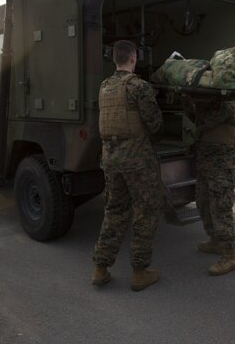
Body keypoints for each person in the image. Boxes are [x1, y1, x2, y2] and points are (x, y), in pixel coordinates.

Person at [91, 40, 164, 291]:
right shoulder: (139, 87)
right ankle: (140, 271)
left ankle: (101, 268)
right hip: (137, 161)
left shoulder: (104, 86)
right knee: (145, 211)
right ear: (133, 58)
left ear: (115, 59)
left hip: (110, 159)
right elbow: (155, 124)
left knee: (114, 211)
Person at [184, 96, 235, 276]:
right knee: (203, 202)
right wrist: (186, 100)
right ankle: (215, 240)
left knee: (221, 207)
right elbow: (195, 116)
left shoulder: (229, 105)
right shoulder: (213, 103)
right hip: (206, 160)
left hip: (222, 163)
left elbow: (202, 122)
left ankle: (229, 255)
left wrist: (194, 101)